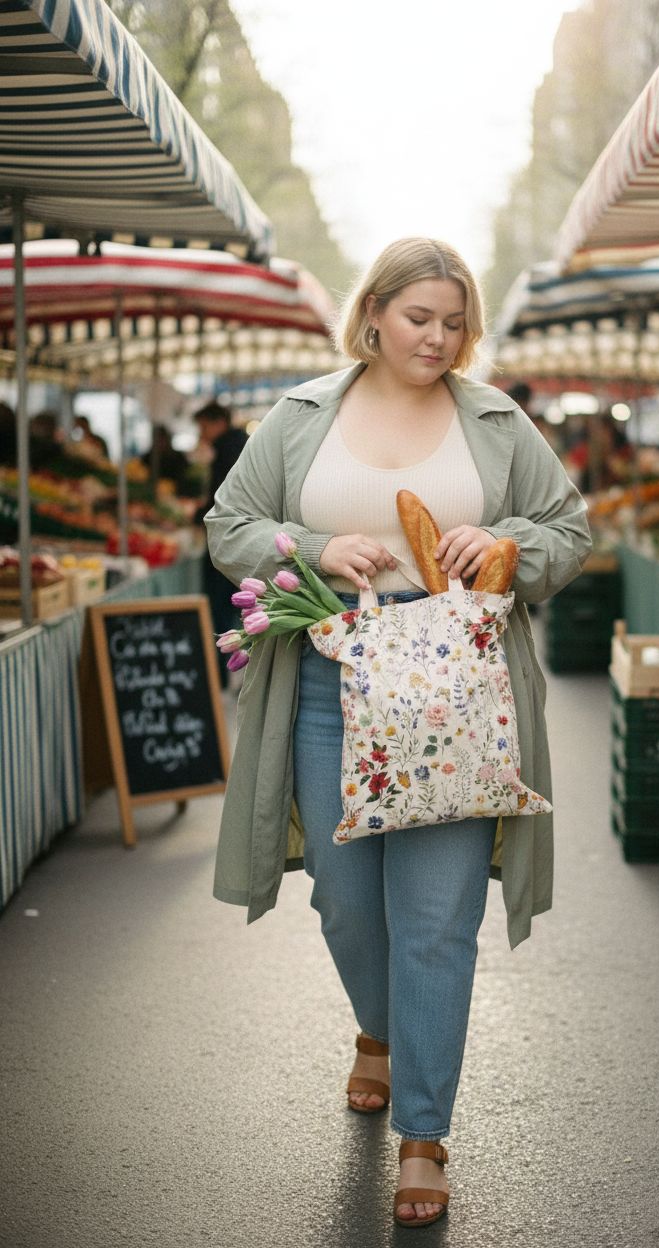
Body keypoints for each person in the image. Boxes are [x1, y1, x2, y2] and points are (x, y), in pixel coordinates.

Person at [204, 238, 591, 1228]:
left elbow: (567, 529)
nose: (439, 337)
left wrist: (507, 544)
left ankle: (424, 1134)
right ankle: (376, 1033)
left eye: (455, 320)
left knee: (435, 924)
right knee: (346, 906)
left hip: (458, 695)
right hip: (331, 691)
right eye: (420, 317)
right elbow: (230, 522)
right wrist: (313, 544)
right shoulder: (300, 417)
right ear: (372, 313)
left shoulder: (496, 421)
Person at [193, 401, 248, 658]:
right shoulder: (240, 445)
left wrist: (196, 515)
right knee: (236, 605)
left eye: (204, 427)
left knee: (220, 606)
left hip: (228, 537)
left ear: (219, 423)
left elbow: (220, 499)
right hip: (243, 536)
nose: (201, 434)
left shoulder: (227, 450)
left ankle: (221, 663)